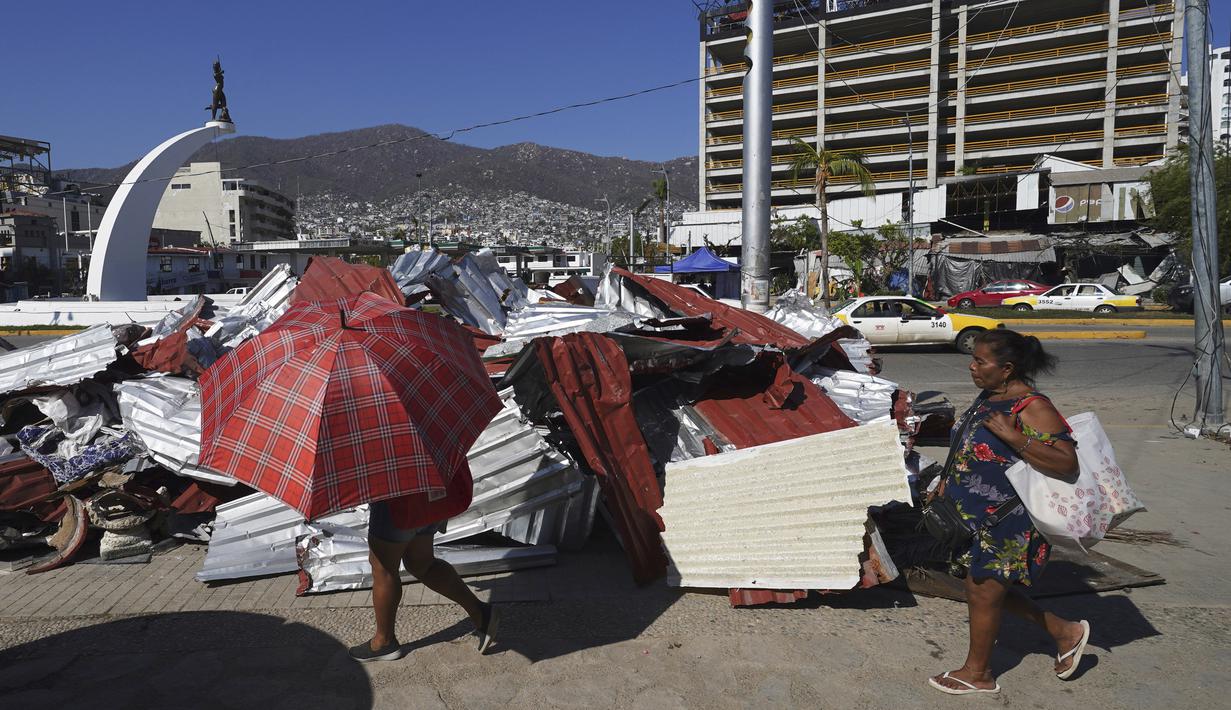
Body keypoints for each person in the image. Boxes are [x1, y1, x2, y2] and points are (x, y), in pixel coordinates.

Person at [927, 329, 1090, 695]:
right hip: (972, 514)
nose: (972, 367)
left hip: (1006, 519)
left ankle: (978, 673)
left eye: (980, 361)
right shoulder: (991, 396)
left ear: (1007, 369)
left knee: (984, 590)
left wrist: (1017, 438)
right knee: (982, 589)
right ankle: (1066, 632)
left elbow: (1067, 462)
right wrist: (945, 480)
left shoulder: (1033, 406)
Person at [348, 498, 499, 662]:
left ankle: (383, 641)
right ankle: (481, 613)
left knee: (383, 568)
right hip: (429, 490)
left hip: (395, 497)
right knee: (421, 563)